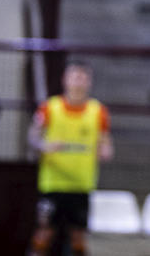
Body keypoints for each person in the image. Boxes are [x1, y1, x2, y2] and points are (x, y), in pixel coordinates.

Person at [27, 62, 113, 256]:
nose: (79, 82)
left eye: (83, 78)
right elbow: (32, 138)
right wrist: (43, 146)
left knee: (78, 239)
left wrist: (106, 150)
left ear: (89, 82)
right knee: (44, 235)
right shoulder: (49, 107)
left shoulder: (98, 111)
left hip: (81, 185)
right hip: (53, 184)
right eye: (75, 77)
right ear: (65, 80)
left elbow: (106, 142)